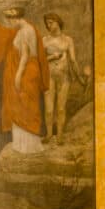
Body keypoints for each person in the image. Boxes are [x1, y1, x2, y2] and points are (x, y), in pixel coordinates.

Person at [0, 6, 50, 154]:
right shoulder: (24, 29)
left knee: (25, 106)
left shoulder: (25, 31)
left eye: (9, 20)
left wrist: (18, 75)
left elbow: (25, 55)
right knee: (21, 105)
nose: (8, 24)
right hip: (27, 71)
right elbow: (3, 32)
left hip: (26, 72)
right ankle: (22, 145)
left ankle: (28, 147)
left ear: (16, 18)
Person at [42, 13, 85, 141]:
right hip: (48, 76)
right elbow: (39, 60)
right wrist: (52, 57)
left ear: (58, 22)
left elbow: (73, 60)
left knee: (61, 108)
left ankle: (59, 135)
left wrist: (79, 78)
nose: (49, 25)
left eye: (51, 22)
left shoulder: (67, 40)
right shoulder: (44, 40)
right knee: (49, 110)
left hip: (64, 77)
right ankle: (49, 134)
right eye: (47, 23)